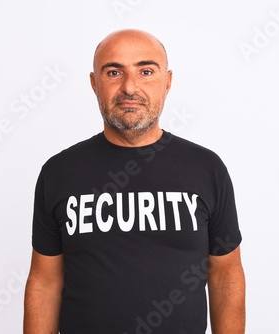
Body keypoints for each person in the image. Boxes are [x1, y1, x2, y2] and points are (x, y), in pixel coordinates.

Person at [24, 29, 245, 334]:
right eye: (114, 72)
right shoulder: (60, 172)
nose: (130, 87)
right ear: (94, 84)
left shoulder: (206, 169)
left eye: (146, 71)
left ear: (167, 82)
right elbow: (45, 280)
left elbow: (225, 273)